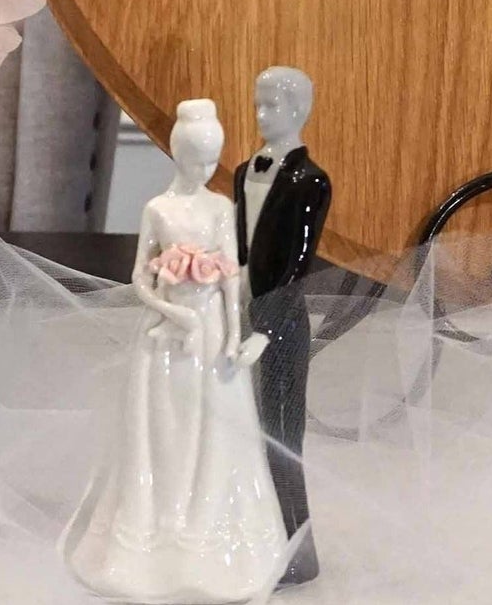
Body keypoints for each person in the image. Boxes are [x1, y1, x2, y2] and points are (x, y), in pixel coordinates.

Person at [62, 99, 286, 603]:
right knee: (164, 425)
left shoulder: (221, 208)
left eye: (212, 161)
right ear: (179, 155)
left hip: (211, 333)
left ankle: (207, 529)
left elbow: (230, 277)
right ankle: (155, 529)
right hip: (165, 331)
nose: (205, 170)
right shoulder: (157, 210)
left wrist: (233, 332)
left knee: (213, 426)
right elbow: (140, 276)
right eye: (197, 160)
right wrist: (173, 311)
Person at [234, 66, 332, 586]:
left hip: (280, 323)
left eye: (271, 105)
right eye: (258, 103)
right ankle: (249, 541)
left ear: (299, 110)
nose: (261, 115)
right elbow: (239, 247)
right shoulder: (243, 171)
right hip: (238, 312)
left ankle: (298, 550)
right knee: (240, 434)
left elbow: (297, 264)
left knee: (280, 439)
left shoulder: (310, 181)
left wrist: (265, 327)